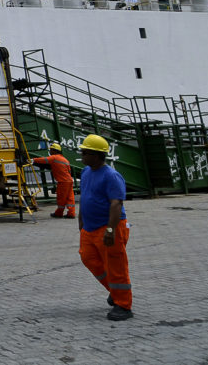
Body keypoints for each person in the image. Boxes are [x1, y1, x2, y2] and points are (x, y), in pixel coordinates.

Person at [77, 134, 133, 321]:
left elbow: (116, 204)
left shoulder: (111, 176)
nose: (82, 155)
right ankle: (114, 291)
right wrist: (81, 219)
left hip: (110, 227)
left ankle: (124, 306)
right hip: (90, 228)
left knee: (115, 265)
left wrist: (110, 230)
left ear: (97, 155)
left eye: (85, 152)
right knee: (88, 258)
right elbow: (85, 196)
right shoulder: (85, 172)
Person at [32, 142, 75, 218]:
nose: (50, 152)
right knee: (70, 198)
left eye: (51, 150)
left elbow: (44, 160)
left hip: (62, 182)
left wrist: (33, 160)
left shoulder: (54, 158)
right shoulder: (65, 160)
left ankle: (59, 213)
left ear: (55, 151)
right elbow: (69, 171)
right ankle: (71, 213)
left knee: (61, 198)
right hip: (69, 181)